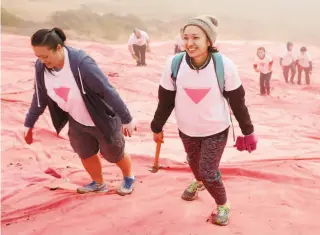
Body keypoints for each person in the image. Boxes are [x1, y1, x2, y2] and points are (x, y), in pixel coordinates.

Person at [150, 15, 258, 226]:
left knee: (209, 170)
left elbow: (237, 102)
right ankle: (198, 181)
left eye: (196, 37)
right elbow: (166, 100)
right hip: (187, 129)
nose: (189, 43)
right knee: (193, 161)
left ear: (209, 40)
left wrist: (248, 130)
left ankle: (223, 204)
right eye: (186, 37)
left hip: (215, 129)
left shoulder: (224, 66)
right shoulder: (174, 64)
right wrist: (156, 126)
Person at [24, 28, 137, 196]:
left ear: (59, 48)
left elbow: (107, 91)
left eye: (45, 56)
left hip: (101, 118)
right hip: (77, 119)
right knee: (85, 152)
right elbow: (39, 98)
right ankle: (99, 183)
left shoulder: (81, 63)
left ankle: (129, 177)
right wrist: (29, 123)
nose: (41, 61)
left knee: (114, 154)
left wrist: (127, 118)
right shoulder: (41, 68)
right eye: (38, 57)